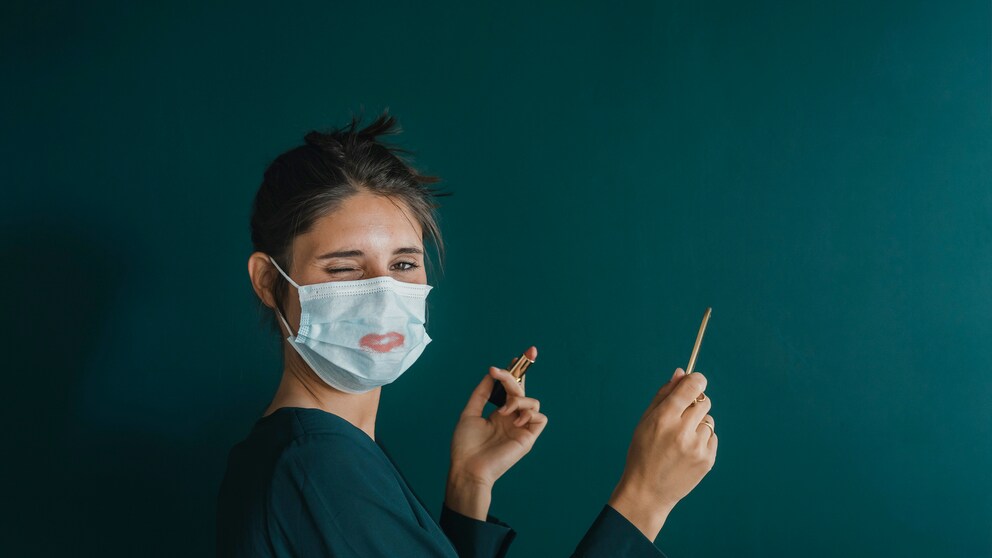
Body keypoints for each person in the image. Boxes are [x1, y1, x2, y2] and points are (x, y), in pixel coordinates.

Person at [216, 113, 718, 557]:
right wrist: (646, 497)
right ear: (268, 281)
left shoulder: (324, 453)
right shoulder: (317, 469)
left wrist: (469, 486)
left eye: (404, 264)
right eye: (345, 269)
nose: (383, 295)